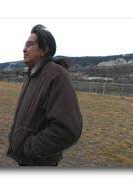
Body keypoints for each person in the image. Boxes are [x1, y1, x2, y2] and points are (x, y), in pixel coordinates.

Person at [6, 24, 83, 167]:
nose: (24, 49)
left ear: (44, 49)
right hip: (26, 161)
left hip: (40, 163)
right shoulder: (32, 75)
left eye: (30, 44)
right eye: (25, 44)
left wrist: (29, 148)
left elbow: (68, 129)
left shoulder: (56, 75)